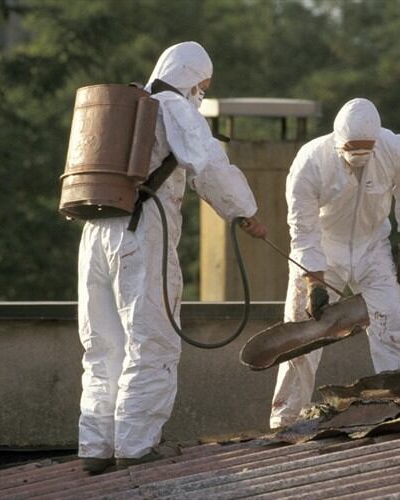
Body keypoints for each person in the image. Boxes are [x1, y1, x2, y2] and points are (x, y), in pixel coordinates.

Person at [76, 41, 267, 474]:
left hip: (94, 232)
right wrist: (247, 213)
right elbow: (210, 165)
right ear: (192, 78)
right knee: (152, 339)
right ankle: (136, 446)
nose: (203, 90)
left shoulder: (129, 106)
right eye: (204, 83)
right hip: (140, 233)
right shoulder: (173, 106)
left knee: (103, 346)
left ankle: (95, 446)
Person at [270, 97, 400, 428]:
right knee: (303, 332)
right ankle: (286, 419)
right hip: (325, 249)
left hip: (373, 246)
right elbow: (304, 230)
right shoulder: (311, 161)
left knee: (389, 323)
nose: (357, 157)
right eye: (351, 148)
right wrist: (313, 281)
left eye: (365, 148)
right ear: (338, 139)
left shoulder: (397, 150)